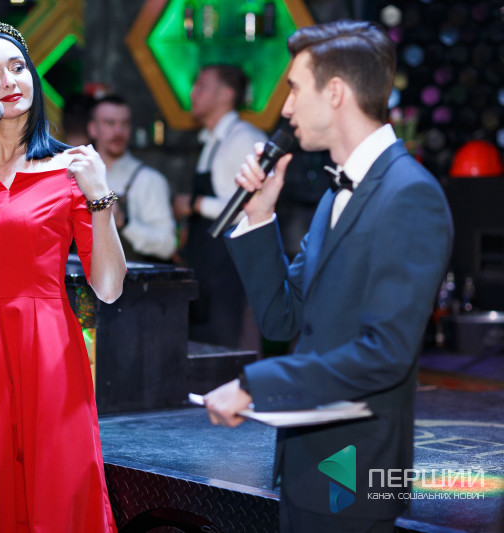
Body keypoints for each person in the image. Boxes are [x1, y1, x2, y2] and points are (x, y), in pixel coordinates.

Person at [203, 21, 453, 532]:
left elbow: (385, 353)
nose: (286, 108)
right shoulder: (335, 194)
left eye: (295, 89)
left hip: (356, 474)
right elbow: (282, 316)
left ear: (335, 92)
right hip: (304, 467)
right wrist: (260, 217)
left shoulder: (410, 194)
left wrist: (254, 385)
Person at [0, 21, 125, 532]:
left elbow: (109, 286)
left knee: (57, 496)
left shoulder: (69, 169)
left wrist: (100, 198)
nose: (9, 80)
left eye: (17, 67)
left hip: (48, 352)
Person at [174, 64, 268, 350]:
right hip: (206, 269)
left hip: (231, 273)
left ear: (226, 94)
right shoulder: (212, 140)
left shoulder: (245, 139)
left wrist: (196, 204)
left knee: (229, 351)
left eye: (201, 86)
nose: (192, 93)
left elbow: (253, 206)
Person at [87, 94, 177, 263]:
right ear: (93, 128)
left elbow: (168, 245)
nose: (118, 132)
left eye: (125, 124)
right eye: (110, 123)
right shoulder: (78, 177)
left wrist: (125, 222)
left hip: (130, 277)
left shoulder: (148, 179)